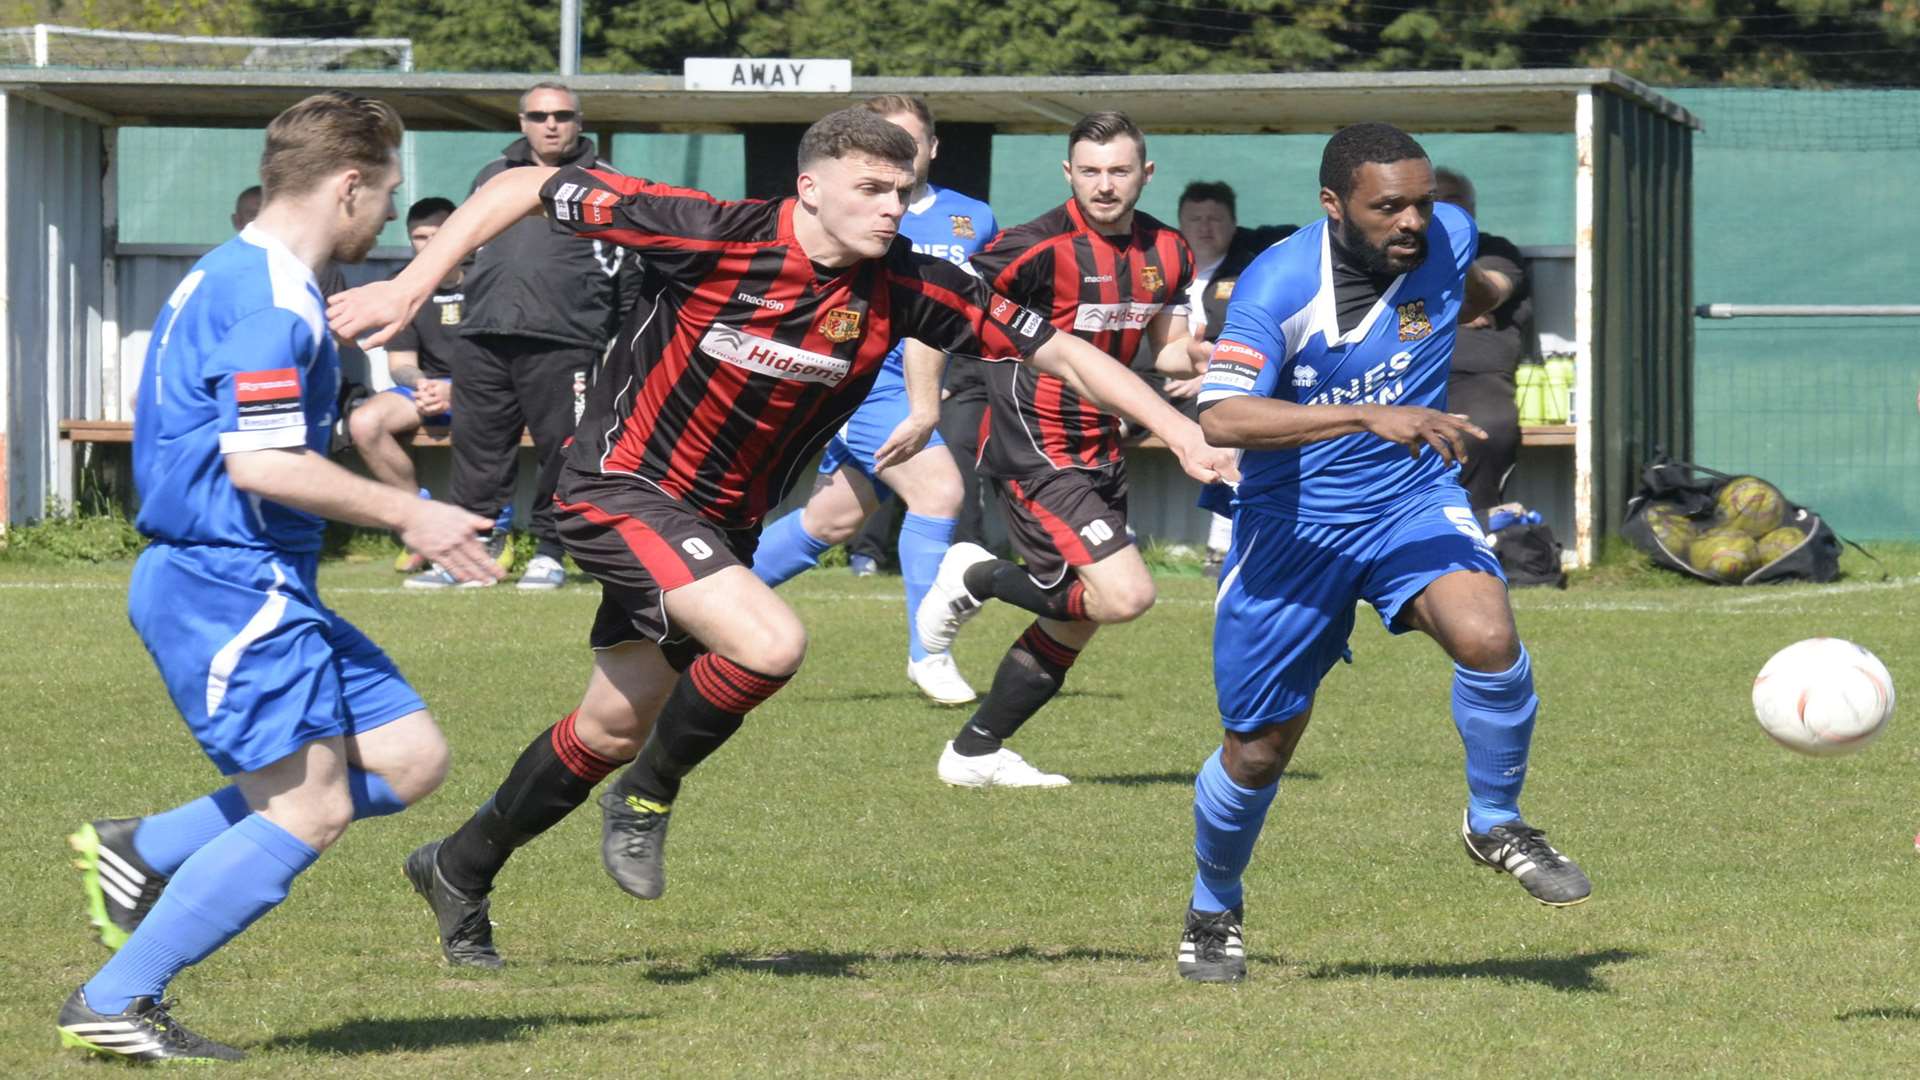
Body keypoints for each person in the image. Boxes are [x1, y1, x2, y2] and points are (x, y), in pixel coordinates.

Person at [329, 106, 1232, 969]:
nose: (894, 207)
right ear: (809, 187)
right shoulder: (715, 231)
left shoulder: (911, 283)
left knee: (610, 721)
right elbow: (528, 184)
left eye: (904, 189)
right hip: (619, 484)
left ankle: (458, 865)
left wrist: (1185, 430)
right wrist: (411, 285)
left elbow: (1065, 352)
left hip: (718, 522)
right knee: (771, 642)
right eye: (873, 189)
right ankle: (646, 796)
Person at [57, 92, 500, 1064]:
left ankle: (144, 849)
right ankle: (114, 1000)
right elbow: (258, 465)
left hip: (260, 580)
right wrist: (413, 510)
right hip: (227, 587)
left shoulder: (255, 279)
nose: (388, 217)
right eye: (384, 196)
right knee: (314, 804)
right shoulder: (272, 301)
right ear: (348, 185)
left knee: (413, 758)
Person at [1174, 122, 1589, 985]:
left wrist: (1483, 294)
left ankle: (1495, 819)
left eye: (1422, 202)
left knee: (1488, 635)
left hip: (1407, 500)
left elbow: (1467, 285)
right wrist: (1369, 413)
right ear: (1334, 206)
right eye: (1387, 206)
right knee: (1258, 749)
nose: (1411, 222)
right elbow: (1221, 418)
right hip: (1296, 530)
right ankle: (1215, 904)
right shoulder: (1278, 284)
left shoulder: (1447, 237)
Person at [915, 111, 1207, 788]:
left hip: (1103, 444)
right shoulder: (1030, 247)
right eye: (1090, 170)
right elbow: (933, 311)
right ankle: (976, 577)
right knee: (1125, 595)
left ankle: (975, 752)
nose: (1104, 186)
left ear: (1146, 173)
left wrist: (1194, 355)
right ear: (1068, 172)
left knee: (1081, 615)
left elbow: (1160, 345)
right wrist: (926, 408)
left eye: (1120, 170)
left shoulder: (1169, 249)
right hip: (1034, 446)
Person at [750, 95, 996, 706]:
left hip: (924, 384)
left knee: (832, 520)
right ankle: (929, 653)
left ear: (933, 149)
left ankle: (694, 600)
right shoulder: (854, 208)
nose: (893, 158)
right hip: (862, 380)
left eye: (907, 143)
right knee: (939, 491)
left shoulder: (975, 219)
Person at [408, 81, 645, 591]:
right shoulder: (493, 176)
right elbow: (464, 243)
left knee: (564, 449)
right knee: (477, 452)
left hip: (565, 338)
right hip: (483, 336)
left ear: (580, 122)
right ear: (522, 123)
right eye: (539, 116)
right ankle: (468, 555)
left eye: (562, 114)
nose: (551, 124)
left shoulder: (607, 182)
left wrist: (622, 346)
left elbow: (629, 275)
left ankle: (551, 550)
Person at [346, 197, 503, 574]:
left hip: (487, 389)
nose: (429, 244)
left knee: (493, 412)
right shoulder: (403, 287)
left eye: (439, 234)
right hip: (430, 388)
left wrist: (459, 389)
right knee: (365, 423)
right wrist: (424, 385)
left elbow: (506, 366)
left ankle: (495, 530)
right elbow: (400, 365)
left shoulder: (492, 279)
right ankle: (419, 523)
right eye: (420, 236)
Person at [1173, 181, 1296, 569]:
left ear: (1234, 223)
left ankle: (1222, 540)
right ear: (1180, 223)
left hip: (1220, 381)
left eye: (1215, 219)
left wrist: (1208, 375)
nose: (1205, 227)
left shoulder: (1251, 269)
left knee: (1232, 419)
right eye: (1195, 219)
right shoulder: (1163, 266)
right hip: (1154, 381)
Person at [1433, 167, 1529, 519]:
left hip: (1477, 381)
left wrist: (1468, 295)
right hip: (1408, 373)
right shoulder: (1395, 253)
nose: (1441, 209)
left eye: (1453, 202)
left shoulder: (1496, 250)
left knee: (1487, 428)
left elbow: (1491, 290)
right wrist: (1455, 308)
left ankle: (1480, 527)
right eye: (1432, 201)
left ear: (1472, 210)